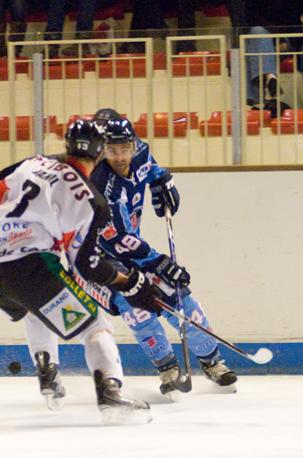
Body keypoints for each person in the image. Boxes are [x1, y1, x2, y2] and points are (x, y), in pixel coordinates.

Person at [0, 120, 161, 422]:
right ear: (100, 152)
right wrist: (129, 282)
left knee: (35, 307)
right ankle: (110, 394)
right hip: (31, 270)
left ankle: (47, 372)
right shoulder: (90, 199)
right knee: (96, 326)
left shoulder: (31, 163)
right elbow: (87, 266)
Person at [90, 110, 237, 394]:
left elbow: (151, 169)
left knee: (179, 295)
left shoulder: (141, 152)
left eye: (124, 149)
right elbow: (116, 240)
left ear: (133, 144)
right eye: (112, 150)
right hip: (99, 260)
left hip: (132, 248)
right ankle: (168, 367)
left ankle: (212, 361)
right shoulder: (101, 186)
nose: (119, 157)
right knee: (136, 308)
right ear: (102, 150)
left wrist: (161, 179)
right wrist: (158, 262)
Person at [241, 0, 302, 109]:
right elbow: (251, 21)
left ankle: (256, 101)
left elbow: (293, 23)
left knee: (252, 49)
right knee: (257, 32)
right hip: (262, 41)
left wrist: (280, 40)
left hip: (286, 40)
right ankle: (271, 77)